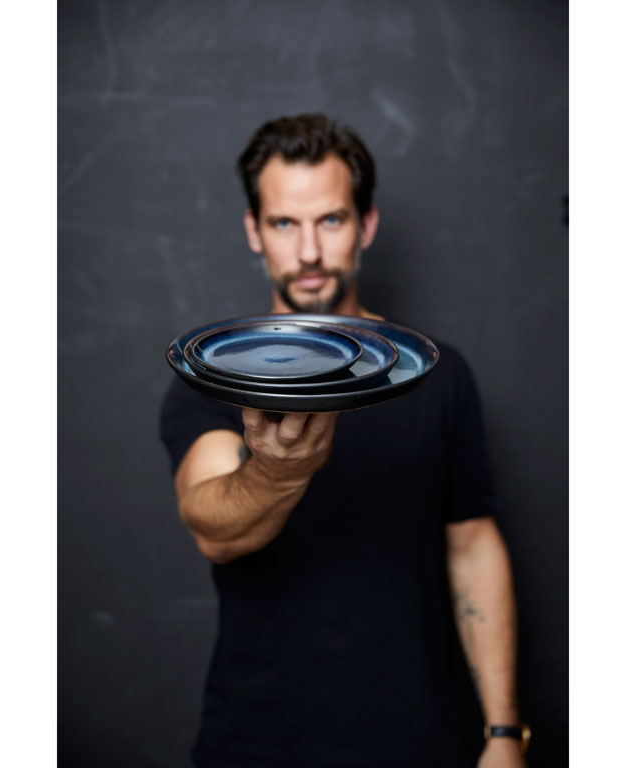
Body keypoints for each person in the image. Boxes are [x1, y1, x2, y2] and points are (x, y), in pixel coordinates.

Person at [160, 113, 528, 768]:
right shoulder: (211, 381)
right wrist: (276, 473)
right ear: (254, 231)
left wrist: (503, 732)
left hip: (422, 745)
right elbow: (213, 529)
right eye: (284, 223)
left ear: (367, 224)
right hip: (258, 747)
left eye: (330, 220)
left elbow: (473, 546)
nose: (308, 251)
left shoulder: (439, 376)